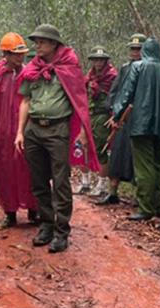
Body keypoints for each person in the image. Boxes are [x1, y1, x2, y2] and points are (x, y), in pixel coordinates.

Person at [14, 24, 99, 253]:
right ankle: (46, 225)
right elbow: (25, 101)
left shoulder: (68, 68)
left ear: (53, 44)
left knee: (60, 182)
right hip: (34, 130)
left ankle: (62, 231)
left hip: (57, 130)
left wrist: (81, 131)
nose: (37, 46)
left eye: (41, 42)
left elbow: (79, 102)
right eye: (37, 42)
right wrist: (20, 131)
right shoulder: (32, 69)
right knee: (39, 181)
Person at [112, 37, 160, 221]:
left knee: (143, 167)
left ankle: (145, 207)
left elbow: (127, 93)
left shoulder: (137, 67)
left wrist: (116, 114)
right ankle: (158, 204)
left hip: (141, 125)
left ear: (144, 52)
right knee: (158, 164)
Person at [0, 33, 38, 229]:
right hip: (3, 132)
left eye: (22, 54)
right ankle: (10, 213)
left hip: (25, 130)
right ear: (6, 54)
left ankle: (34, 211)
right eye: (15, 54)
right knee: (4, 171)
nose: (20, 57)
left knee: (29, 170)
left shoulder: (29, 73)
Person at [95, 33, 145, 205]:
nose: (135, 52)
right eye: (132, 48)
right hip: (122, 119)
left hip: (140, 119)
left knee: (138, 157)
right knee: (117, 154)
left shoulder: (148, 69)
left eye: (138, 49)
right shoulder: (125, 68)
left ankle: (140, 196)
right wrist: (113, 112)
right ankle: (113, 192)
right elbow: (115, 91)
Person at [85, 46, 117, 198]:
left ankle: (102, 183)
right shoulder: (90, 76)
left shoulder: (112, 76)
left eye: (101, 60)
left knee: (102, 149)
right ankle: (93, 181)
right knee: (89, 148)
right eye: (95, 59)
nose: (98, 62)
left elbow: (117, 97)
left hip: (104, 116)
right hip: (91, 115)